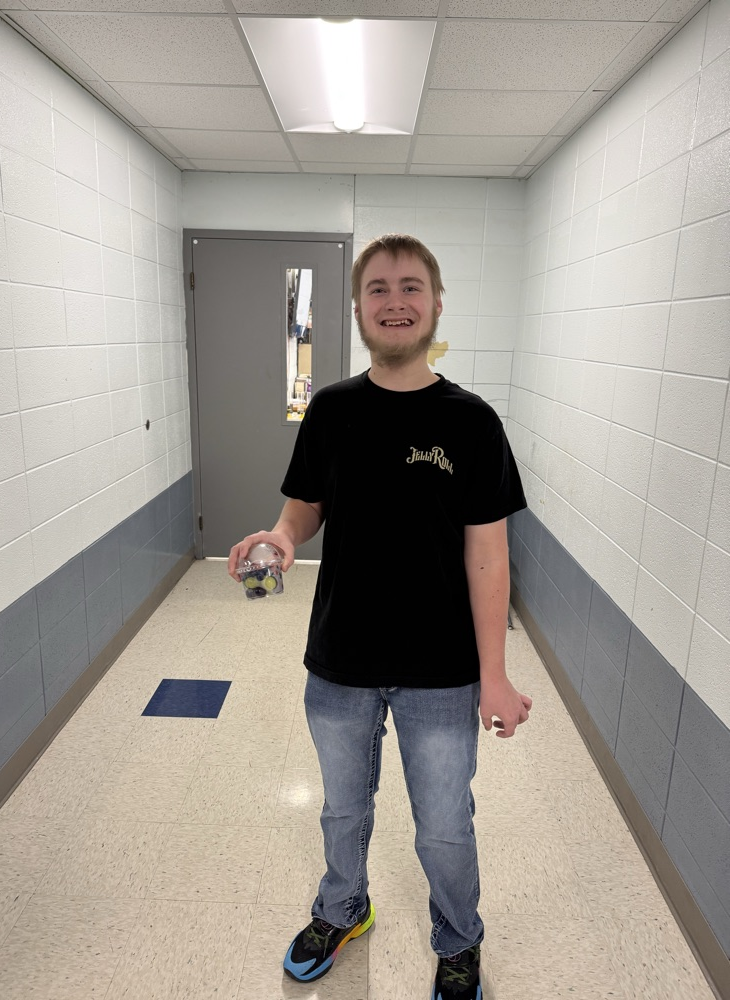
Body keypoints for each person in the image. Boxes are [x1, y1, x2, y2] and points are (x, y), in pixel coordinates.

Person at [228, 233, 532, 1000]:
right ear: (359, 308)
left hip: (441, 672)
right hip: (341, 662)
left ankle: (459, 942)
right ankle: (343, 908)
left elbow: (489, 558)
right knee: (341, 811)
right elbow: (306, 509)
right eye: (379, 289)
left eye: (410, 287)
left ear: (434, 304)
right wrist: (278, 536)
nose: (395, 302)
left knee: (444, 827)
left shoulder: (472, 422)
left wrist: (493, 676)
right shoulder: (331, 410)